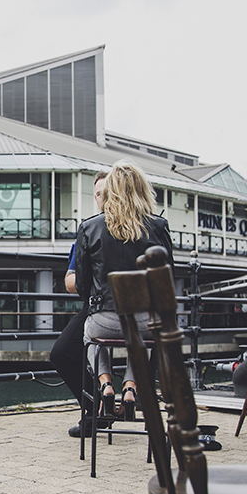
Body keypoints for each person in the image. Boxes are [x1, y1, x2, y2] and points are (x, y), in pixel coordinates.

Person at [74, 161, 172, 423]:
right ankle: (130, 387)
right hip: (144, 321)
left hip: (103, 319)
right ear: (142, 189)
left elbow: (82, 285)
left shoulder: (89, 227)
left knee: (90, 337)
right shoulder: (158, 226)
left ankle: (106, 384)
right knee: (142, 339)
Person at [50, 171, 107, 438]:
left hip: (134, 310)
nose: (102, 198)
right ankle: (95, 408)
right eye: (98, 193)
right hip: (96, 305)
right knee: (62, 352)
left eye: (106, 191)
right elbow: (71, 281)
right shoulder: (90, 229)